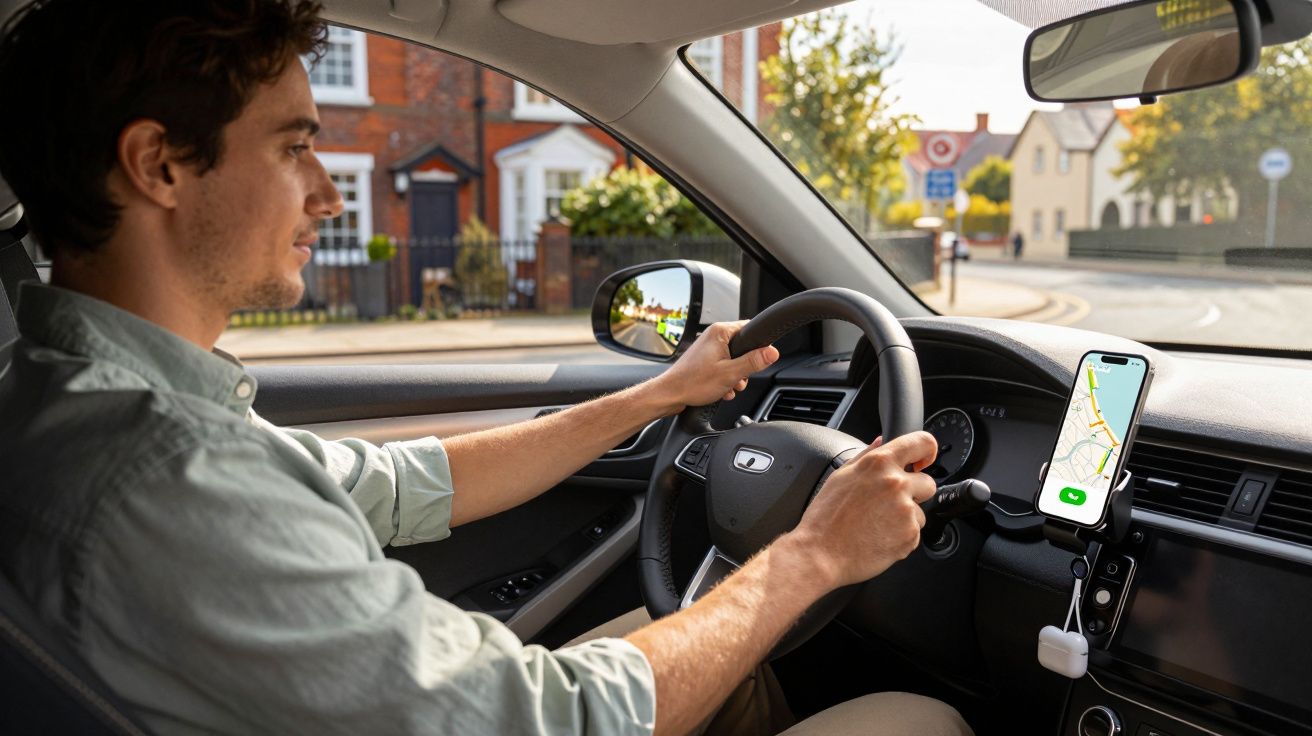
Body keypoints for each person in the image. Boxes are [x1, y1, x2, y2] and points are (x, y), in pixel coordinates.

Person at [0, 1, 971, 735]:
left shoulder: (89, 407)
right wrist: (811, 555)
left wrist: (659, 391)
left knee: (725, 659)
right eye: (295, 146)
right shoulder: (172, 477)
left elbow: (405, 483)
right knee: (916, 720)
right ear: (158, 164)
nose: (327, 193)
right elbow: (540, 718)